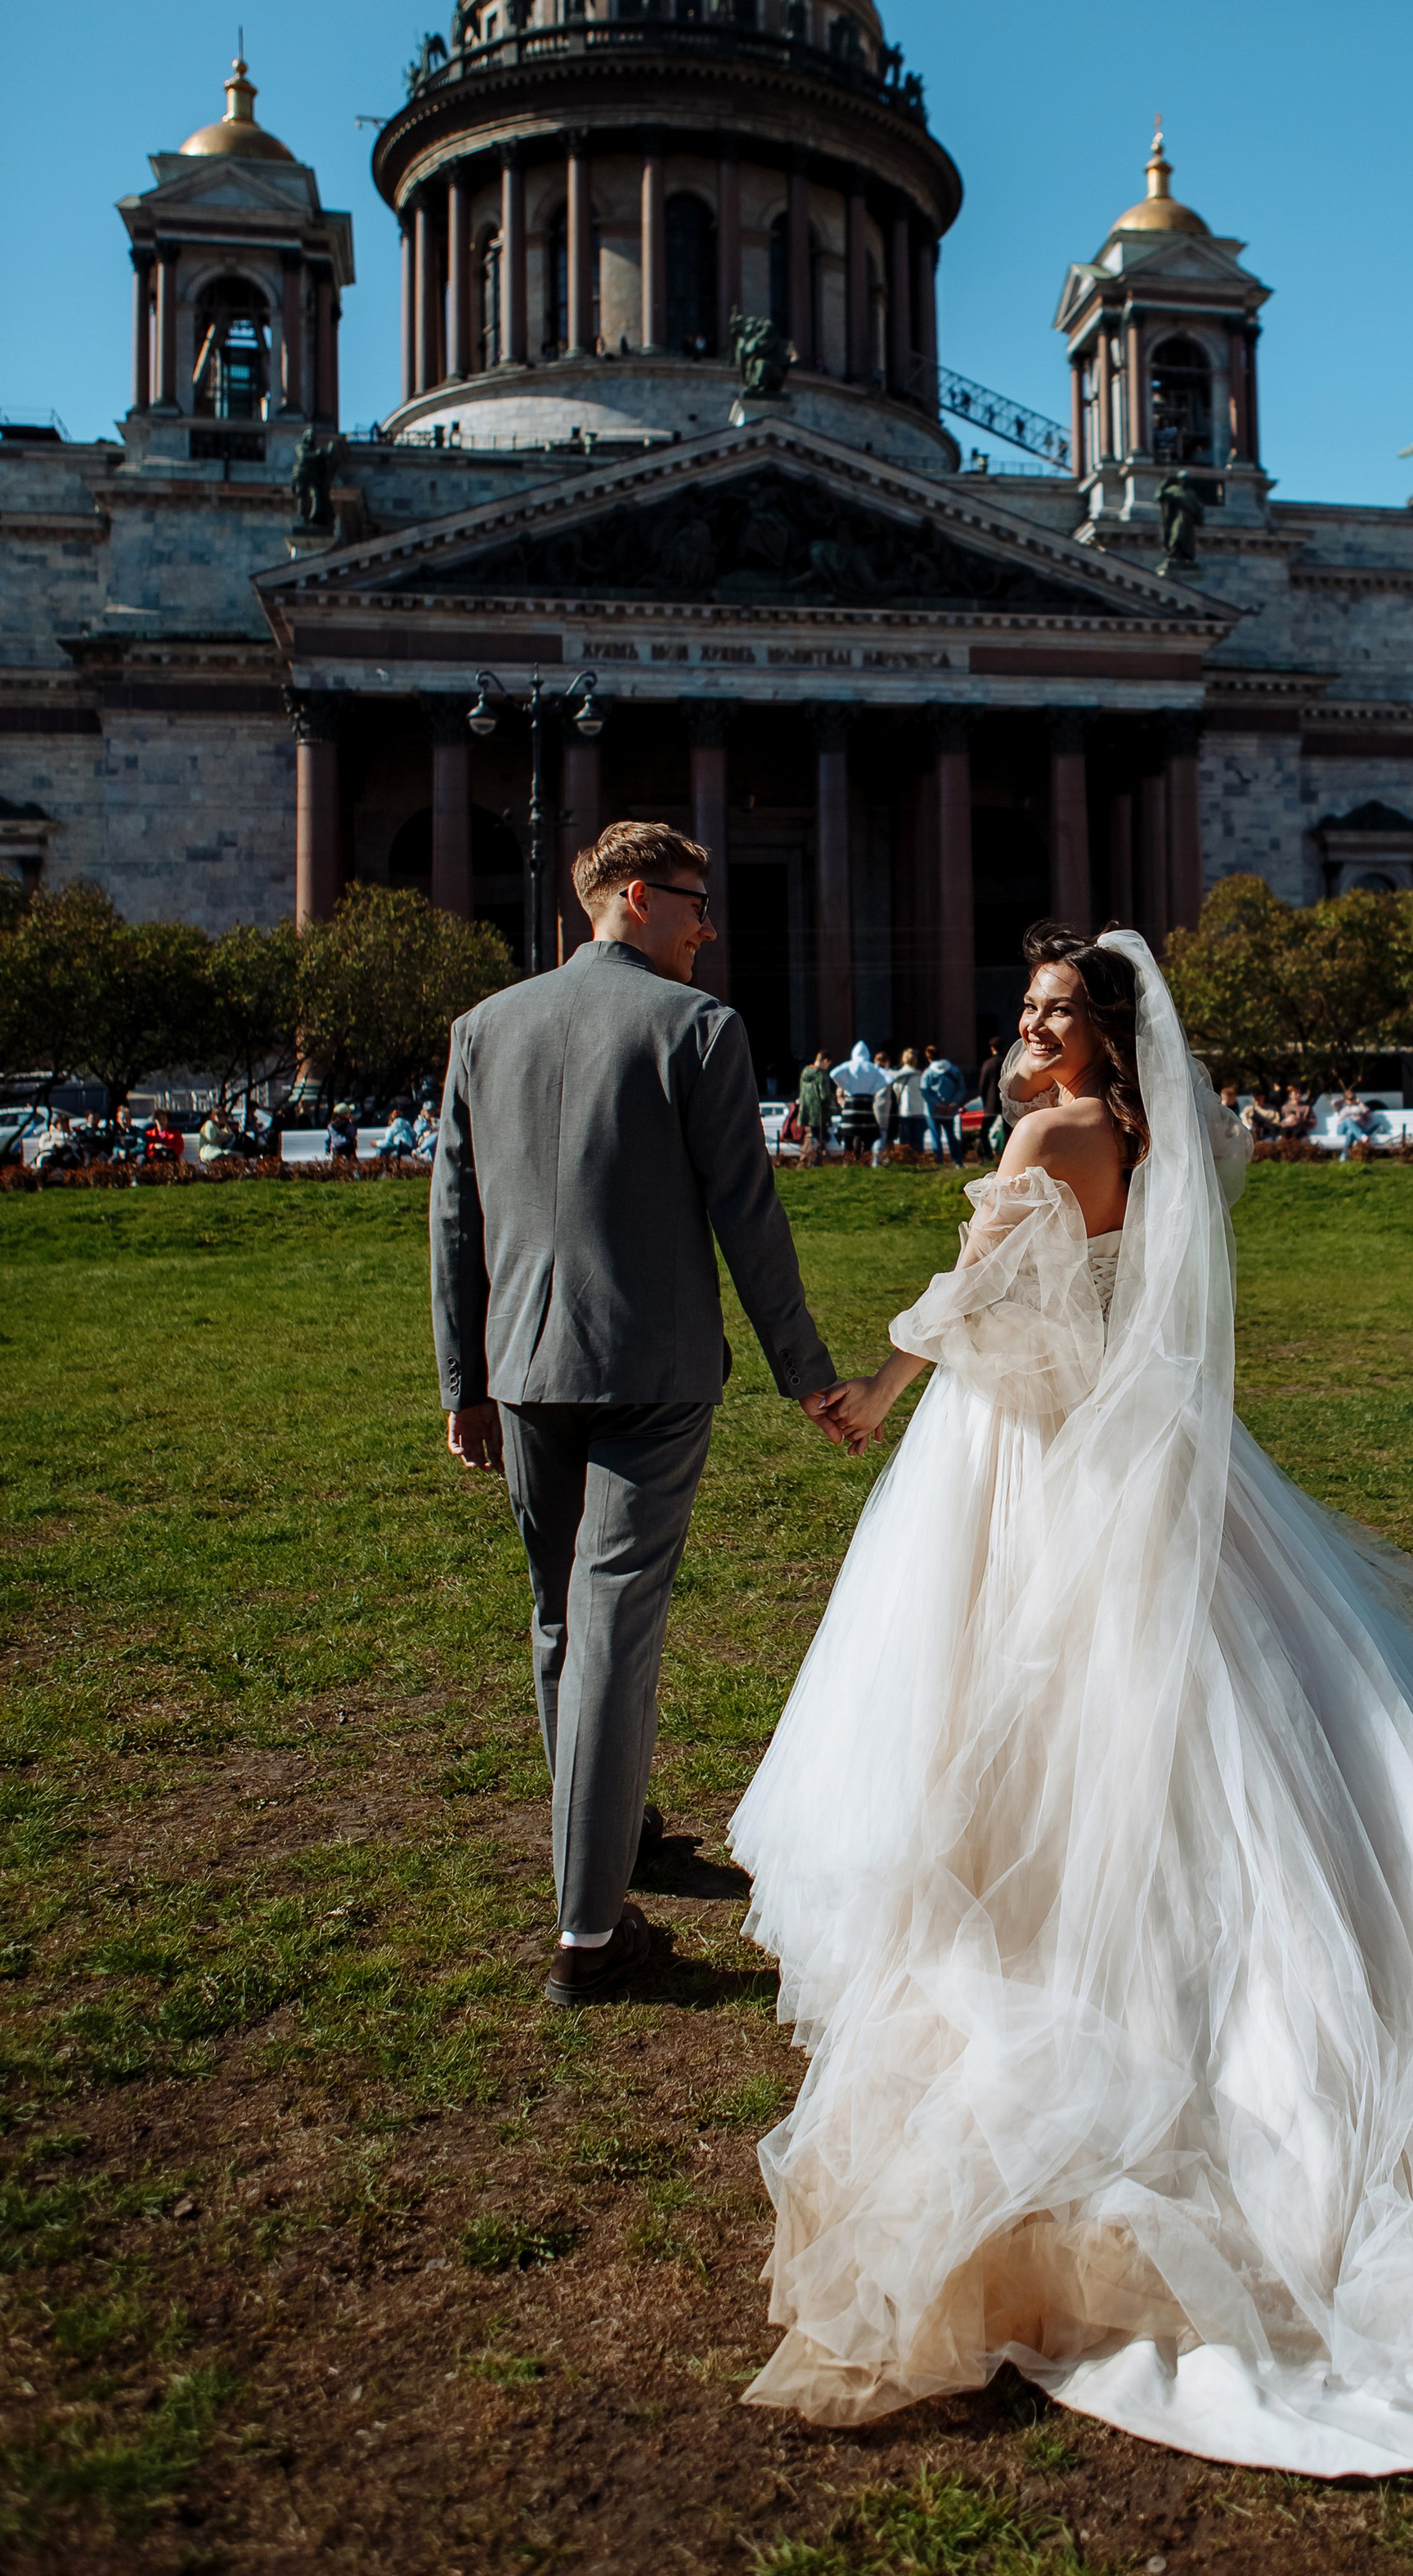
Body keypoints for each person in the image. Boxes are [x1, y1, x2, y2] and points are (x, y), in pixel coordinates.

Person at [732, 922, 1413, 2473]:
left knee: (1032, 1730)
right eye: (1027, 1007)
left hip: (1033, 1459)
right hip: (1130, 1460)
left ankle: (1060, 1979)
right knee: (1216, 1731)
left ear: (1101, 1039)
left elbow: (977, 1302)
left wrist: (868, 1390)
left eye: (1058, 1011)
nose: (1033, 1027)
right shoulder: (1164, 1135)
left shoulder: (1052, 1130)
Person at [431, 818, 848, 2009]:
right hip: (654, 1373)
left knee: (560, 1619)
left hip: (523, 1370)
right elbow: (748, 1219)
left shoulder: (484, 1029)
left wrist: (463, 1378)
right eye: (691, 903)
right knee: (612, 1623)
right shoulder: (700, 1029)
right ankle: (590, 1932)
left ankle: (610, 1841)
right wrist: (804, 1368)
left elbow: (453, 1222)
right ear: (624, 899)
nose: (707, 927)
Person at [832, 1042, 886, 1158]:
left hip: (851, 1106)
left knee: (849, 1138)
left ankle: (849, 1159)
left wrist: (847, 1087)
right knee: (866, 1136)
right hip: (866, 1106)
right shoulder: (871, 1068)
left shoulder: (850, 1067)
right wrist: (873, 1089)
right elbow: (888, 1077)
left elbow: (834, 1073)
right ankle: (864, 1159)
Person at [919, 1042, 965, 1166]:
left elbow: (924, 1091)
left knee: (936, 1136)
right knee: (951, 1135)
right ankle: (957, 1161)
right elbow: (961, 1088)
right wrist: (953, 1103)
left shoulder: (928, 1073)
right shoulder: (953, 1070)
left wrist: (937, 1104)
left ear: (928, 1058)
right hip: (950, 1110)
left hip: (933, 1110)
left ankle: (938, 1162)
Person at [796, 1049, 836, 1168]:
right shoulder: (822, 1075)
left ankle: (808, 1161)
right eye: (828, 1064)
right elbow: (824, 1096)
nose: (828, 1067)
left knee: (813, 1136)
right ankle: (816, 1161)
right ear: (825, 1061)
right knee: (821, 1137)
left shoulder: (805, 1072)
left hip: (806, 1111)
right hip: (820, 1113)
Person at [890, 1049, 928, 1158]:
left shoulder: (897, 1076)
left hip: (904, 1111)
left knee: (905, 1140)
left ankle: (906, 1159)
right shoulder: (920, 1076)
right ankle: (919, 1159)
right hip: (919, 1111)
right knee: (918, 1140)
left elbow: (896, 1092)